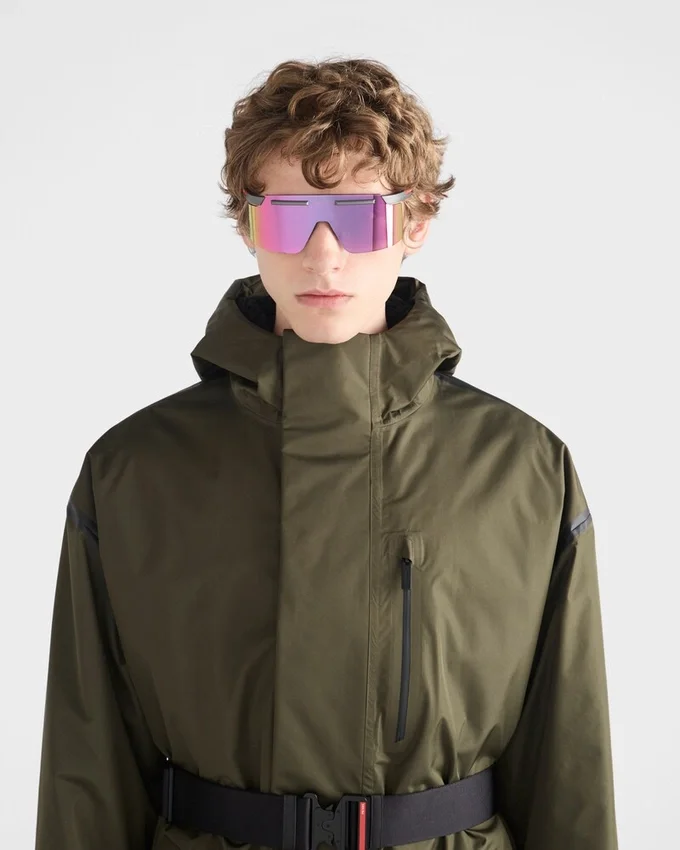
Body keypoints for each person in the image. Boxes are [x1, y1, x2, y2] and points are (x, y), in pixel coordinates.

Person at [34, 57, 619, 850]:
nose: (323, 256)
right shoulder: (136, 471)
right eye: (287, 216)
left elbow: (567, 758)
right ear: (248, 226)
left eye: (357, 216)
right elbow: (87, 761)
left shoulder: (522, 469)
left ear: (415, 224)